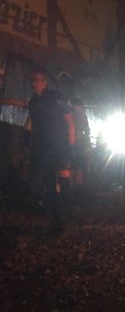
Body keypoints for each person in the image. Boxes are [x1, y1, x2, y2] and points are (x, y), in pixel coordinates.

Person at [28, 69, 75, 232]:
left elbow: (69, 119)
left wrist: (71, 143)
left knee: (63, 179)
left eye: (39, 79)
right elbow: (34, 125)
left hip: (60, 145)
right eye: (33, 80)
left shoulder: (56, 97)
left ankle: (67, 210)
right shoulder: (33, 102)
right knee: (48, 181)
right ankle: (56, 218)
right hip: (42, 147)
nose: (36, 83)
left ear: (45, 82)